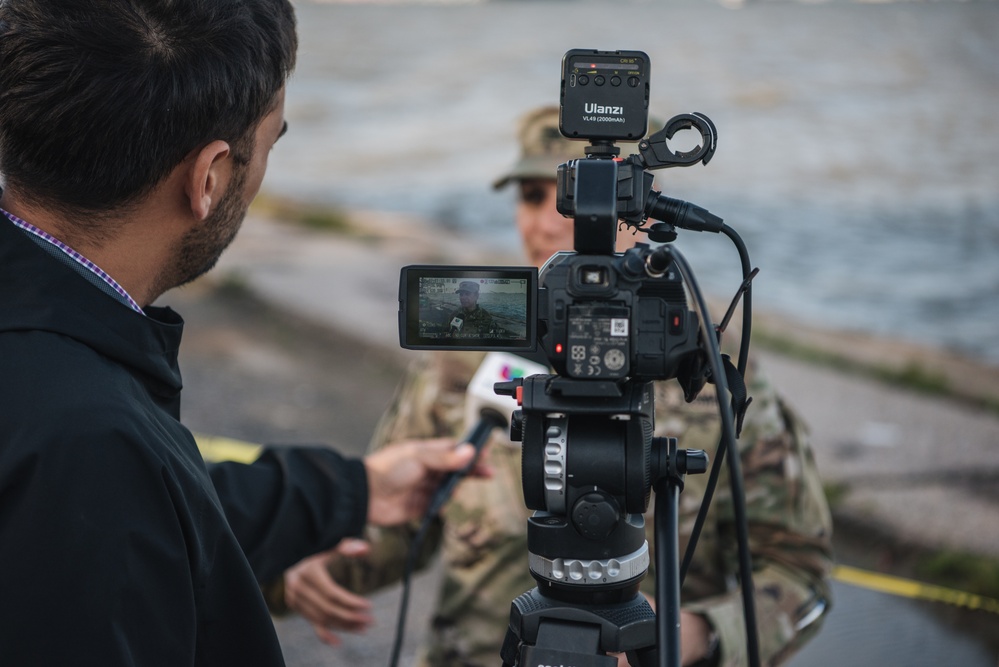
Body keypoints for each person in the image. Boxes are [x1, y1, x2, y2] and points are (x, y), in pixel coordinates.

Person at [0, 2, 486, 665]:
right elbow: (105, 495)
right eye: (272, 141)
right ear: (207, 178)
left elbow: (143, 515)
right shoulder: (88, 439)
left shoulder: (65, 396)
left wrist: (356, 490)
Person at [278, 106, 835, 666]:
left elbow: (800, 574)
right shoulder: (465, 348)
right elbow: (405, 526)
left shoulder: (703, 357)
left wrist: (686, 636)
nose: (548, 221)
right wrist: (319, 565)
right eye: (531, 196)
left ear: (643, 204)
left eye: (579, 196)